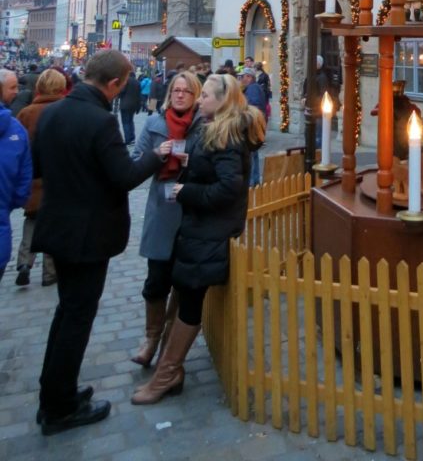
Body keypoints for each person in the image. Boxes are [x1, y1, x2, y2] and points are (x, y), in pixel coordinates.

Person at [32, 50, 171, 435]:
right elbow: (124, 176)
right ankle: (59, 408)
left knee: (66, 313)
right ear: (114, 84)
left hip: (58, 227)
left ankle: (55, 393)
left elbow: (39, 166)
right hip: (88, 234)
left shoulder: (53, 113)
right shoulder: (100, 121)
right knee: (77, 318)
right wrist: (156, 157)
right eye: (122, 84)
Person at [131, 73, 265, 405]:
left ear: (223, 100)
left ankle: (166, 374)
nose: (199, 100)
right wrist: (193, 165)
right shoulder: (216, 131)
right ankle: (169, 370)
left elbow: (228, 188)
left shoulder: (227, 135)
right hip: (200, 229)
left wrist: (186, 190)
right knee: (184, 294)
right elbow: (219, 173)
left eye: (204, 95)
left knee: (190, 301)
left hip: (209, 231)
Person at [129, 71, 204, 369]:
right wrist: (155, 155)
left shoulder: (203, 127)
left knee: (183, 282)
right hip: (162, 210)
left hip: (191, 212)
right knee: (156, 279)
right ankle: (151, 338)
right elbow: (135, 164)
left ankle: (169, 348)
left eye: (187, 90)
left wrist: (193, 162)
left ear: (196, 95)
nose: (180, 94)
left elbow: (214, 168)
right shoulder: (154, 124)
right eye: (176, 90)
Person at [15, 68, 68, 287]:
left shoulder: (27, 113)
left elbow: (19, 146)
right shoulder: (65, 110)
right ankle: (49, 271)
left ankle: (24, 262)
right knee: (53, 227)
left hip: (33, 180)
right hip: (58, 179)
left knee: (31, 222)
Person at [0, 95, 32, 283]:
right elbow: (24, 169)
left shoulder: (23, 116)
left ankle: (25, 262)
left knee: (32, 222)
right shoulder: (13, 126)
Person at [239, 69, 267, 186]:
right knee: (253, 153)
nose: (241, 80)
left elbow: (254, 106)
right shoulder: (253, 88)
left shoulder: (253, 88)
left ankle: (252, 181)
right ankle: (254, 180)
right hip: (255, 124)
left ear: (249, 77)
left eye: (243, 77)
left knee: (251, 153)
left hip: (252, 125)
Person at [118, 69, 142, 145]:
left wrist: (119, 94)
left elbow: (122, 92)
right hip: (133, 105)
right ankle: (132, 138)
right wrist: (138, 107)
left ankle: (128, 139)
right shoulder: (137, 82)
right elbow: (139, 96)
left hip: (125, 105)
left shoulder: (126, 81)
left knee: (125, 122)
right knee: (131, 121)